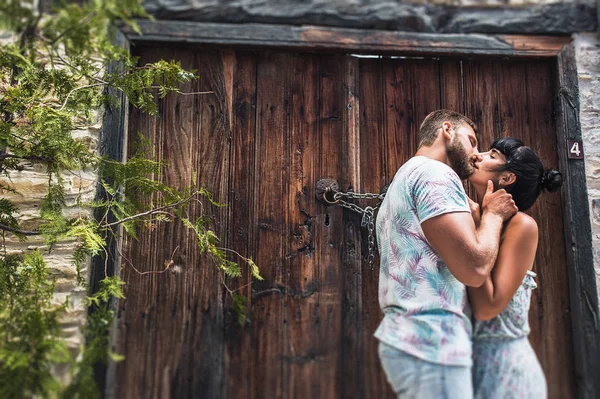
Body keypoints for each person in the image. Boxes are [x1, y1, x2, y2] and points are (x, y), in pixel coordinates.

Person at [375, 109, 518, 399]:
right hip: (432, 340)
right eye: (472, 141)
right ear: (448, 130)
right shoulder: (435, 173)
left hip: (413, 337)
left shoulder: (405, 176)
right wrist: (493, 215)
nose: (476, 153)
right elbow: (474, 269)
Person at [466, 137, 562, 398]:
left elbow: (487, 308)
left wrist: (477, 228)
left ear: (507, 178)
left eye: (492, 154)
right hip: (463, 367)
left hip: (506, 375)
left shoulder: (522, 226)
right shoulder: (468, 215)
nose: (477, 155)